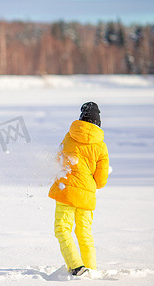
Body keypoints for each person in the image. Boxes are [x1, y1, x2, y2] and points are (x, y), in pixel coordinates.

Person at [48, 102, 109, 276]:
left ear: (81, 118)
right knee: (84, 232)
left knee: (62, 228)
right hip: (87, 195)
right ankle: (91, 269)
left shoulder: (69, 137)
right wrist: (88, 184)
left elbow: (58, 160)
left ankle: (76, 266)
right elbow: (101, 180)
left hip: (66, 190)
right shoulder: (101, 146)